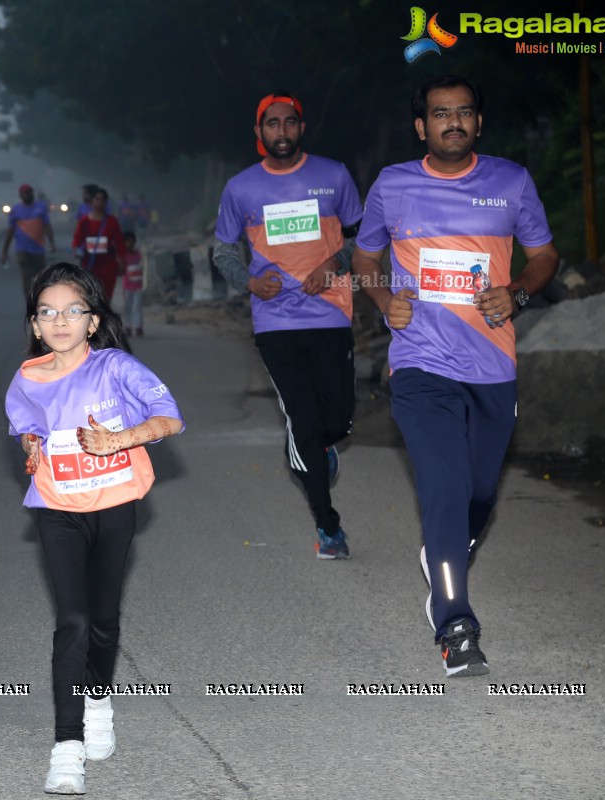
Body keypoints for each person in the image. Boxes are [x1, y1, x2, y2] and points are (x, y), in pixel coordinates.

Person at [351, 74, 558, 677]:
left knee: (478, 494)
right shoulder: (393, 185)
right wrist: (382, 298)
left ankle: (446, 550)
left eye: (464, 113)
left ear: (479, 123)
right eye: (441, 114)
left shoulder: (511, 181)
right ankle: (455, 623)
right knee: (443, 484)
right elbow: (364, 255)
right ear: (422, 127)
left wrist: (516, 291)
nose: (453, 123)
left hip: (492, 363)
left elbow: (544, 255)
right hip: (420, 361)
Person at [4, 263, 183, 795]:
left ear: (92, 321)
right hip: (57, 508)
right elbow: (27, 428)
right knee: (74, 621)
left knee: (104, 620)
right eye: (47, 312)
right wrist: (30, 445)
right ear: (36, 326)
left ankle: (98, 698)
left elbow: (170, 418)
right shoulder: (26, 378)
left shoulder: (116, 367)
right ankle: (67, 745)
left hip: (113, 505)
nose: (60, 320)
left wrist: (120, 439)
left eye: (73, 311)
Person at [212, 90, 363, 560]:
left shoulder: (334, 175)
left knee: (336, 420)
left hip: (331, 313)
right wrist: (249, 283)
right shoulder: (241, 188)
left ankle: (314, 449)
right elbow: (221, 250)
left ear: (302, 127)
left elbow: (363, 237)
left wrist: (335, 262)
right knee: (303, 419)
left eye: (290, 122)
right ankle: (328, 527)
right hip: (274, 322)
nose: (282, 131)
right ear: (259, 133)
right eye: (272, 124)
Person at [0, 183, 56, 298]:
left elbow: (47, 226)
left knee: (40, 280)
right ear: (21, 195)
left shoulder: (41, 208)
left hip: (38, 249)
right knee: (26, 280)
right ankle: (30, 304)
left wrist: (52, 242)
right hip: (23, 250)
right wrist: (4, 251)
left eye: (30, 192)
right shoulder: (16, 210)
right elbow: (10, 231)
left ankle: (39, 302)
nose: (29, 194)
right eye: (26, 193)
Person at [72, 187, 127, 302]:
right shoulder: (84, 221)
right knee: (90, 297)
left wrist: (122, 262)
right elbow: (77, 239)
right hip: (89, 264)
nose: (100, 202)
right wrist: (76, 250)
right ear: (92, 202)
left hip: (108, 265)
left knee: (105, 298)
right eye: (97, 199)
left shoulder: (112, 221)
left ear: (106, 202)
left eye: (102, 200)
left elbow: (119, 243)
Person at [120, 231, 144, 336]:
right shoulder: (123, 256)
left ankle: (138, 326)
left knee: (137, 306)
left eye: (131, 241)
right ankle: (128, 326)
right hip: (127, 285)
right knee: (128, 306)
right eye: (127, 241)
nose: (130, 243)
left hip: (138, 284)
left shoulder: (138, 254)